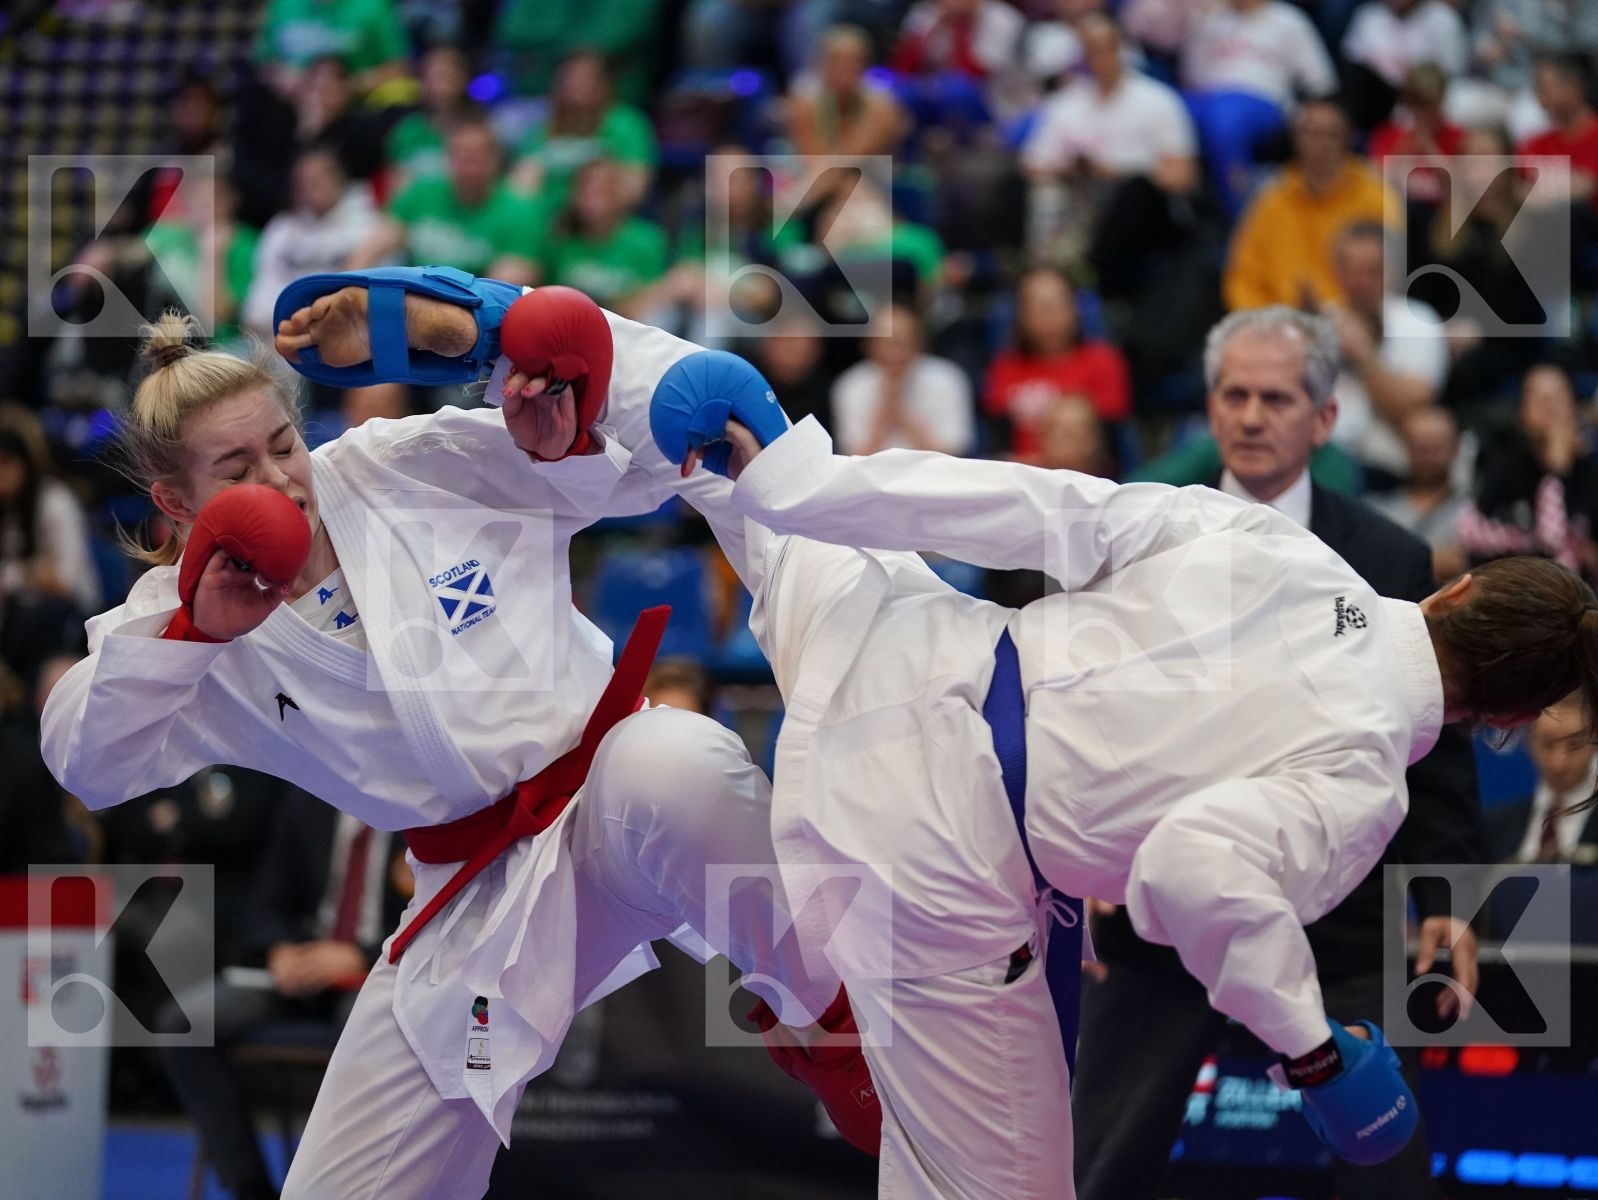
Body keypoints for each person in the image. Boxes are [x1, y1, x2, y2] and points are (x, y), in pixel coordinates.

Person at [646, 343, 1594, 1198]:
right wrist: (1313, 1054)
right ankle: (813, 994)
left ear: (1456, 587)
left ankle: (563, 357)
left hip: (899, 644)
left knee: (738, 445)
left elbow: (1043, 507)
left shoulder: (1289, 551)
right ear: (1508, 719)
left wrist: (816, 485)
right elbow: (1192, 874)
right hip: (934, 859)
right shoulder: (1363, 783)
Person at [39, 300, 861, 1200]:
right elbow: (82, 761)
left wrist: (558, 443)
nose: (280, 480)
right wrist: (196, 631)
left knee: (676, 758)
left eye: (282, 445)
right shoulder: (184, 619)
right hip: (470, 892)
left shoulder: (396, 465)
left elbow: (640, 470)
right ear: (174, 502)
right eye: (235, 469)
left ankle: (835, 1019)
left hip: (609, 797)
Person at [1073, 307, 1481, 1200]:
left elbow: (1439, 745)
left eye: (1277, 397)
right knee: (1095, 1167)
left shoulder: (1387, 555)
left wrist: (1449, 897)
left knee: (1387, 1166)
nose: (1252, 415)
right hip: (1161, 902)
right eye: (1234, 395)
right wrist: (1079, 865)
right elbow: (1089, 708)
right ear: (1210, 408)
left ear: (1325, 418)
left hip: (1338, 913)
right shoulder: (1143, 535)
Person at [156, 790, 408, 1200]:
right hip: (299, 972)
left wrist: (362, 954)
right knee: (185, 1022)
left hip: (381, 973)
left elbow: (443, 909)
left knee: (366, 1029)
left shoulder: (421, 809)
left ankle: (353, 1189)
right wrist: (280, 949)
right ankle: (249, 1185)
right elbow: (267, 900)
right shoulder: (309, 801)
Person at [1223, 97, 1390, 312]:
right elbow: (1242, 276)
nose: (1321, 143)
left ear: (1348, 138)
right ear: (1296, 138)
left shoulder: (1376, 196)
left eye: (1331, 134)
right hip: (1279, 325)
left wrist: (1335, 315)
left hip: (1357, 321)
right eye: (1312, 133)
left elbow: (1388, 273)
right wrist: (1265, 320)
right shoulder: (1271, 198)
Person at [828, 304, 974, 456]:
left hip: (934, 476)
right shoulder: (851, 385)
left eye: (903, 343)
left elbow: (956, 454)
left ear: (919, 342)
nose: (894, 353)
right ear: (868, 345)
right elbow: (851, 457)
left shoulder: (947, 378)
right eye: (886, 343)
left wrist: (904, 419)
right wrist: (883, 419)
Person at [1484, 702, 1598, 864]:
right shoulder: (1494, 825)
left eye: (1574, 745)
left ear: (1594, 743)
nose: (1558, 763)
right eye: (1548, 744)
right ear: (1529, 742)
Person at [1368, 406, 1470, 582]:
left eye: (1436, 448)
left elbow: (1461, 564)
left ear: (1456, 448)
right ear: (1405, 448)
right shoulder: (1376, 508)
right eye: (1419, 448)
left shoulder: (1473, 512)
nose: (1428, 457)